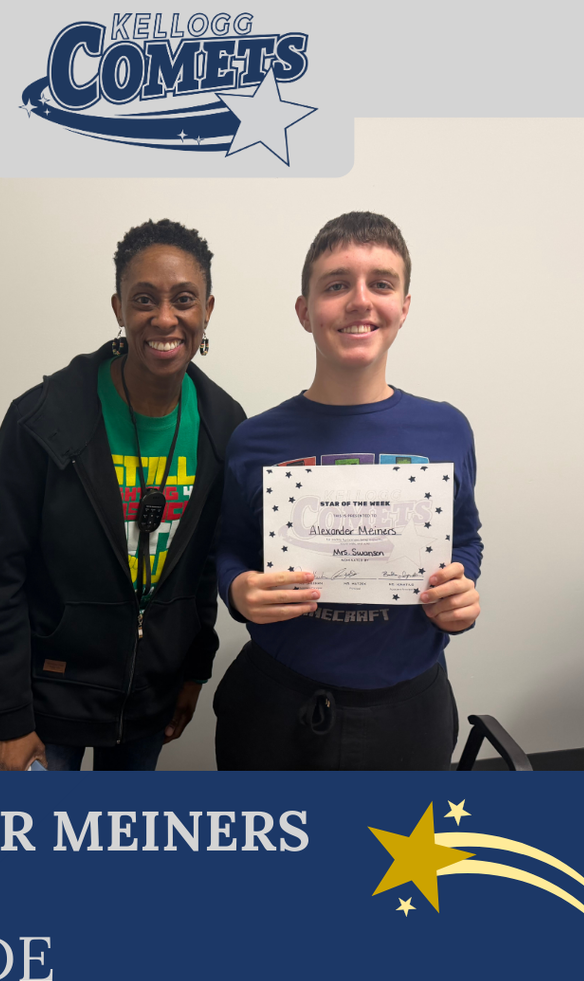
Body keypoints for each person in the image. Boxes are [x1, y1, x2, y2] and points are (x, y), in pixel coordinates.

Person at [0, 219, 245, 771]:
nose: (164, 318)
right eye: (144, 299)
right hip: (49, 704)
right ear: (118, 308)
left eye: (183, 299)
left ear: (207, 310)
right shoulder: (41, 418)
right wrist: (9, 720)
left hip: (151, 700)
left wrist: (194, 672)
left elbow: (204, 569)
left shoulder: (225, 427)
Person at [214, 212, 482, 770]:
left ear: (404, 306)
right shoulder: (254, 438)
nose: (360, 301)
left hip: (408, 709)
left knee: (393, 860)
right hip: (276, 706)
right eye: (337, 285)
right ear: (304, 311)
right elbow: (229, 546)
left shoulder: (448, 429)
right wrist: (237, 591)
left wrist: (462, 586)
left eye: (381, 283)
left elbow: (466, 539)